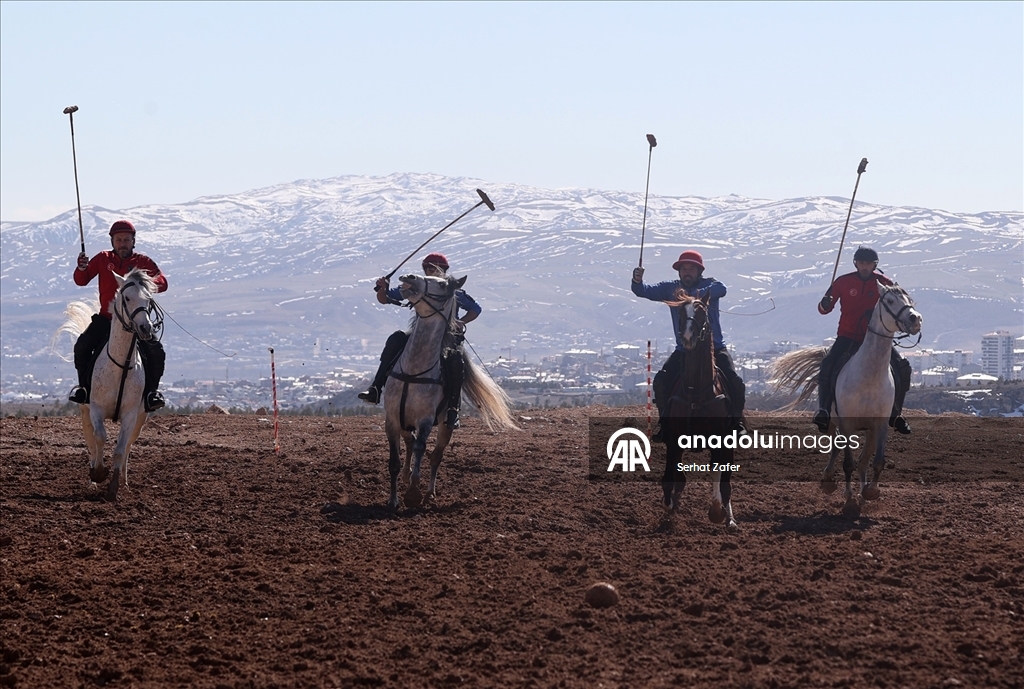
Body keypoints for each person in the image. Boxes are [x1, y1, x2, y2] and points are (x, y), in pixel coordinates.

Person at [631, 250, 748, 439]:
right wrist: (637, 280)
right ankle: (665, 424)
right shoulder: (670, 288)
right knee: (661, 381)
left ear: (699, 271)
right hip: (684, 350)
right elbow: (642, 291)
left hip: (715, 349)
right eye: (683, 268)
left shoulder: (710, 285)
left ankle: (737, 423)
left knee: (735, 381)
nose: (687, 272)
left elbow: (722, 288)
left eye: (691, 269)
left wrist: (694, 295)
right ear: (678, 272)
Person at [357, 252, 480, 429]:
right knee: (396, 339)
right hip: (419, 334)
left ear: (443, 271)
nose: (429, 271)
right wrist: (383, 288)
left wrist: (461, 322)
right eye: (427, 268)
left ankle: (453, 408)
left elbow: (475, 309)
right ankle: (376, 388)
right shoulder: (417, 288)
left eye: (434, 268)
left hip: (446, 336)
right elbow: (384, 300)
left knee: (455, 361)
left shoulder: (453, 291)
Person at [68, 220, 169, 412]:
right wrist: (81, 268)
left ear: (133, 241)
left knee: (156, 352)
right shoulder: (102, 258)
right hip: (107, 319)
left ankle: (151, 394)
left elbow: (163, 281)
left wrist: (146, 283)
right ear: (112, 241)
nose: (122, 243)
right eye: (119, 240)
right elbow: (81, 281)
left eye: (126, 240)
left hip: (136, 322)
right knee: (82, 346)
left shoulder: (143, 262)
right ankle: (84, 390)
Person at [814, 246, 912, 434]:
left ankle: (896, 414)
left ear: (875, 265)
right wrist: (824, 304)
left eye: (868, 263)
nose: (864, 266)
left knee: (903, 368)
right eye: (861, 263)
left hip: (876, 339)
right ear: (855, 263)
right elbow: (823, 309)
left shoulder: (885, 283)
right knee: (827, 365)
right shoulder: (842, 282)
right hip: (848, 336)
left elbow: (900, 305)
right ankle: (824, 410)